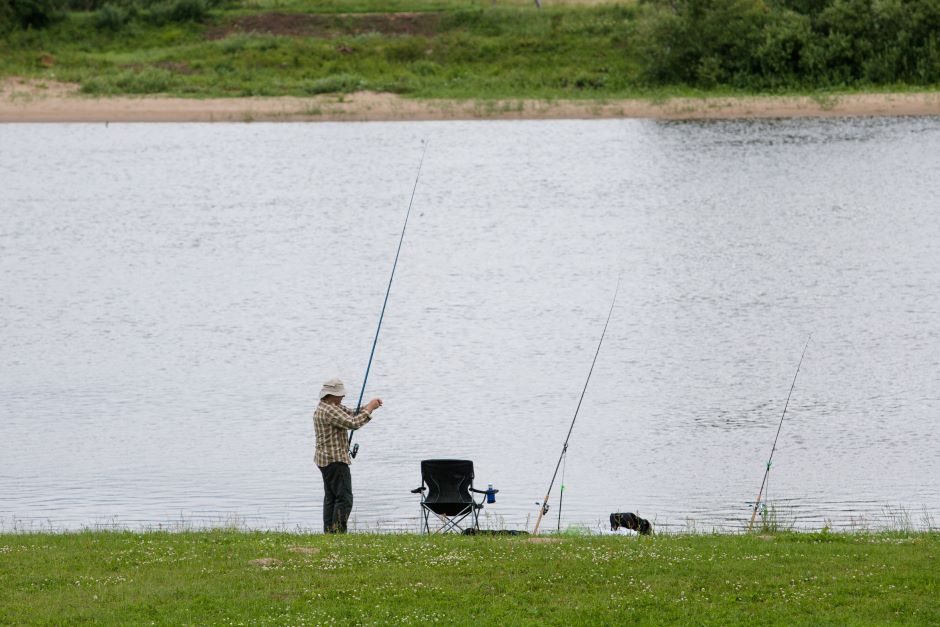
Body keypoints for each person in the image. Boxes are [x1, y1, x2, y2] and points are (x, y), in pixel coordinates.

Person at [313, 378, 382, 533]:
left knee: (331, 498)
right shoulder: (330, 410)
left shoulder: (327, 407)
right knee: (344, 499)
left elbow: (351, 413)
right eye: (340, 394)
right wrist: (369, 408)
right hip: (335, 460)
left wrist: (369, 407)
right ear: (332, 395)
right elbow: (353, 423)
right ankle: (338, 532)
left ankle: (329, 532)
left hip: (324, 460)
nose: (342, 397)